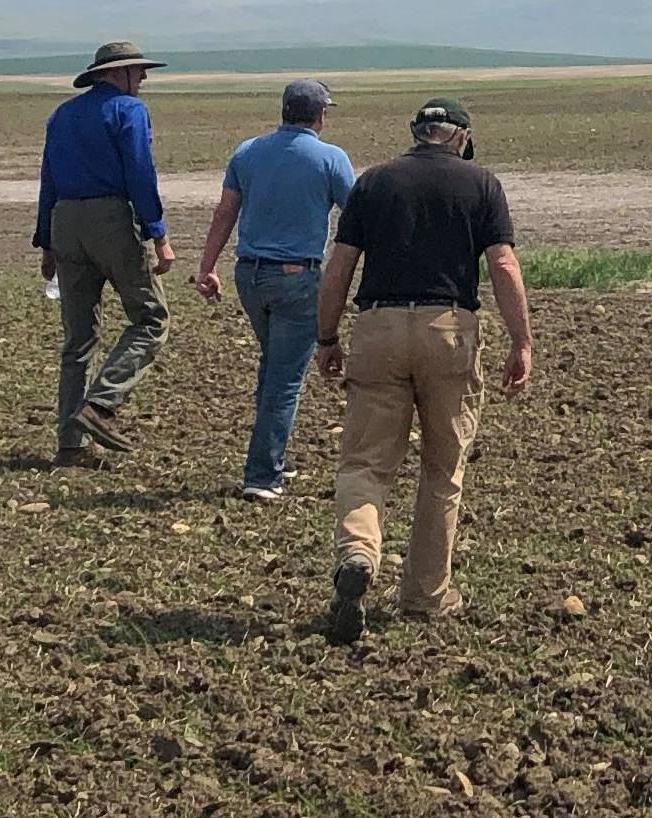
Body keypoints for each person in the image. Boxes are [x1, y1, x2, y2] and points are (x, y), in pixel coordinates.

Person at [310, 97, 534, 640]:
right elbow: (502, 264)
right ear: (461, 137)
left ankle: (360, 553)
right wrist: (521, 340)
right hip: (449, 332)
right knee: (442, 469)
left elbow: (339, 265)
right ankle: (426, 594)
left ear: (417, 133)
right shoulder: (482, 183)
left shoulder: (375, 182)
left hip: (379, 327)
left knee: (364, 461)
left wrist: (326, 336)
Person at [192, 79, 356, 501]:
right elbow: (356, 219)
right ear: (320, 114)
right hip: (297, 279)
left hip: (250, 277)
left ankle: (273, 453)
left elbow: (225, 212)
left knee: (274, 365)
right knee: (285, 377)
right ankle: (263, 476)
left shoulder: (247, 152)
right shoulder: (331, 158)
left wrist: (207, 267)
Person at [37, 41, 177, 467]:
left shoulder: (62, 115)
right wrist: (158, 234)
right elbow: (140, 171)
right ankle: (100, 405)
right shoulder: (128, 112)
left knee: (78, 339)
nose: (145, 79)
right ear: (119, 74)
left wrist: (46, 241)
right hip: (109, 221)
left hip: (65, 223)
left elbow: (48, 178)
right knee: (152, 319)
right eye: (139, 72)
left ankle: (69, 446)